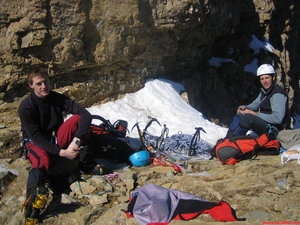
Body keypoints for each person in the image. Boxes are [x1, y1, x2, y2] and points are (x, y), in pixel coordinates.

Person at [18, 66, 92, 224]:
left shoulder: (57, 98)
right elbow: (36, 137)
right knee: (42, 160)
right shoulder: (26, 107)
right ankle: (32, 206)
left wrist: (76, 140)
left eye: (45, 82)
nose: (43, 86)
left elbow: (85, 114)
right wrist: (63, 153)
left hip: (55, 138)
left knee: (77, 119)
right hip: (35, 142)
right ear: (31, 85)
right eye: (39, 84)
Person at [225, 64, 289, 139]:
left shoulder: (277, 94)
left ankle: (231, 141)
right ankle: (228, 140)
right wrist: (246, 107)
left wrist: (255, 113)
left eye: (267, 78)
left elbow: (277, 118)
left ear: (273, 77)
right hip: (266, 125)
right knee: (240, 115)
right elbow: (256, 104)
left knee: (247, 118)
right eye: (262, 79)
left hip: (274, 130)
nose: (264, 81)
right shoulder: (265, 91)